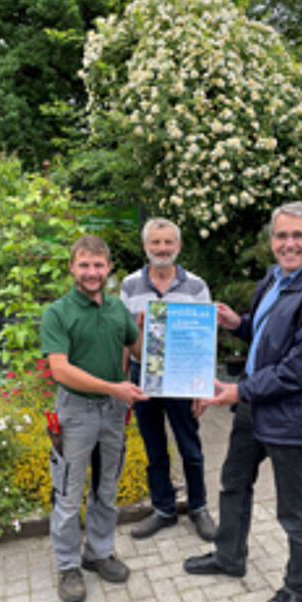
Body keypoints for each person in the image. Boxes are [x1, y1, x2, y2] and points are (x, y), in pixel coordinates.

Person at [183, 201, 302, 602]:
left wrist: (238, 390)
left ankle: (300, 588)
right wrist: (236, 324)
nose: (288, 243)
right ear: (272, 241)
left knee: (295, 510)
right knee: (234, 482)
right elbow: (267, 334)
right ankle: (229, 556)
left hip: (294, 416)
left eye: (298, 236)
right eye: (281, 235)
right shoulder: (275, 279)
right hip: (255, 405)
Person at [40, 234, 149, 602]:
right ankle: (69, 565)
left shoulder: (117, 309)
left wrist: (147, 328)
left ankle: (98, 553)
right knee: (68, 494)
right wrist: (113, 387)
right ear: (72, 267)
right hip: (76, 411)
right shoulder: (58, 313)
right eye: (84, 265)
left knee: (106, 488)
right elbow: (60, 370)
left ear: (108, 268)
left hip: (113, 412)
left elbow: (138, 350)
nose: (91, 272)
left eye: (98, 265)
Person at [120, 217, 217, 541]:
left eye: (168, 242)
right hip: (144, 376)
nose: (162, 249)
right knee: (154, 447)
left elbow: (204, 340)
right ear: (145, 246)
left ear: (178, 246)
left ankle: (199, 507)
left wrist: (203, 388)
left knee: (190, 447)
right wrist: (123, 381)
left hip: (183, 377)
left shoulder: (197, 287)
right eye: (155, 242)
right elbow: (125, 341)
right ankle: (163, 509)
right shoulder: (130, 285)